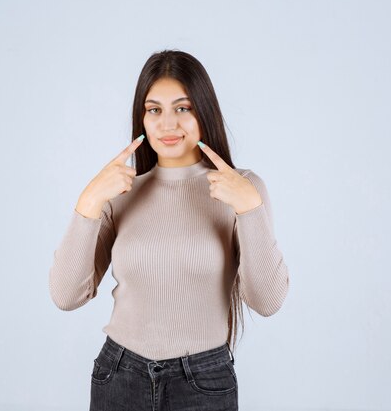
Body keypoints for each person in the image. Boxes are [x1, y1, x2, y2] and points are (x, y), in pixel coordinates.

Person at [49, 49, 290, 411]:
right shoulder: (121, 194)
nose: (167, 124)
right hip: (119, 376)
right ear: (142, 119)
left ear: (204, 111)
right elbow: (67, 296)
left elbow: (267, 301)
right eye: (154, 110)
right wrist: (88, 202)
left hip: (203, 382)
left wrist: (249, 209)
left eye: (183, 108)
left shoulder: (242, 188)